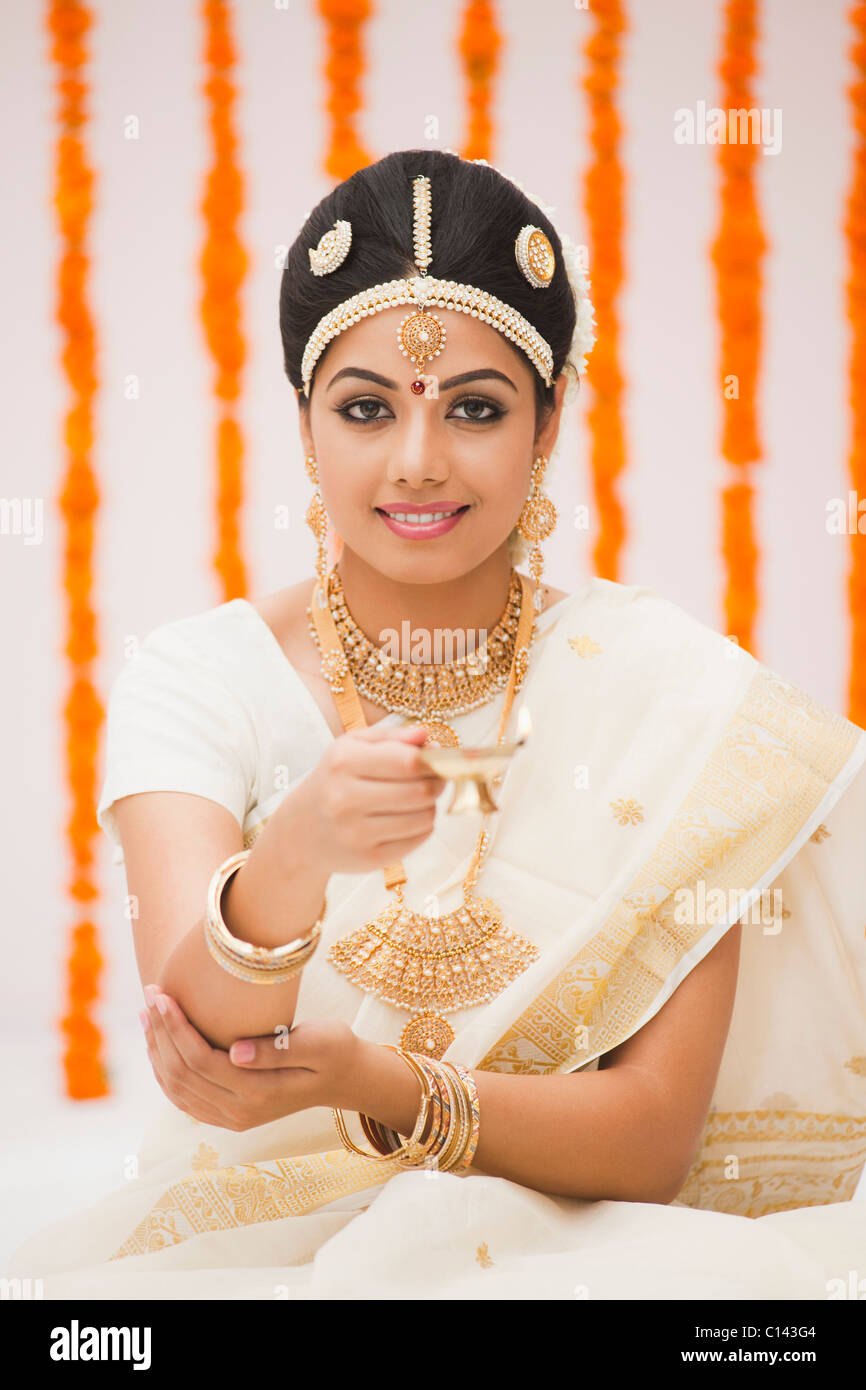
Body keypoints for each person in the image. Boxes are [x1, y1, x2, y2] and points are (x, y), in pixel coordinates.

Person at [8, 149, 866, 1300]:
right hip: (251, 1237)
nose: (418, 462)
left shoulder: (667, 695)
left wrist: (371, 1079)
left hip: (590, 1243)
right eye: (365, 408)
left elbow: (649, 1141)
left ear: (548, 420)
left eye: (474, 407)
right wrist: (300, 849)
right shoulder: (204, 676)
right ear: (305, 423)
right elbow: (210, 1053)